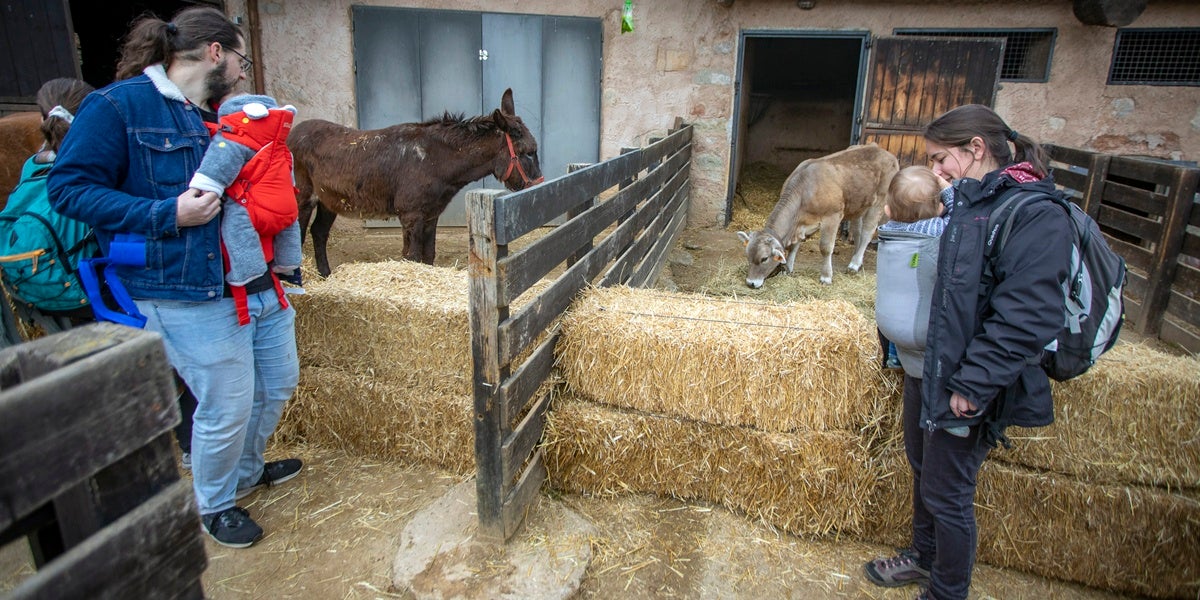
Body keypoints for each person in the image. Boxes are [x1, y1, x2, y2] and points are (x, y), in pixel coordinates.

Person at [47, 6, 302, 549]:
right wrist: (167, 213)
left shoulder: (222, 114)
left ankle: (246, 471)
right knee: (226, 404)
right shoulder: (118, 106)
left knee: (277, 383)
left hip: (256, 282)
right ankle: (215, 504)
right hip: (185, 291)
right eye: (241, 60)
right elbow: (68, 190)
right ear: (215, 52)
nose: (243, 72)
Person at [863, 105, 1072, 600]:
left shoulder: (1033, 214)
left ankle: (947, 591)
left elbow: (1027, 316)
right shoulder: (970, 201)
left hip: (964, 381)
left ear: (975, 148)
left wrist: (974, 383)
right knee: (923, 470)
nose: (936, 172)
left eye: (940, 159)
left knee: (948, 491)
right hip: (931, 368)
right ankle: (924, 556)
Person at [188, 93, 302, 293]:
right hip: (287, 206)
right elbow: (289, 174)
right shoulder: (280, 145)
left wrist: (205, 185)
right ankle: (289, 261)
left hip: (255, 210)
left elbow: (217, 166)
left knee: (236, 227)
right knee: (290, 227)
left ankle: (248, 270)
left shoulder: (233, 139)